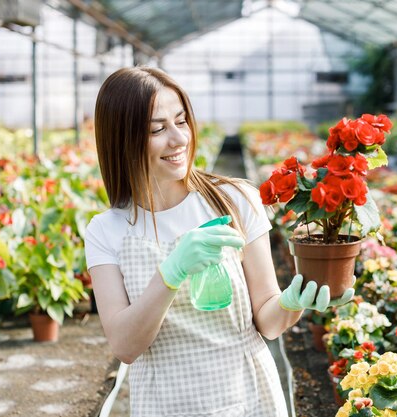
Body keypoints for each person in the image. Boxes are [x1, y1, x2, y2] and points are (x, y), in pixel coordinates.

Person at [84, 67, 354, 417]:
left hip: (248, 394)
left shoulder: (233, 199)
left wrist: (293, 301)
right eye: (157, 129)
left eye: (181, 122)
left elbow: (268, 321)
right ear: (120, 139)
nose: (179, 139)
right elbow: (125, 345)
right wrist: (170, 274)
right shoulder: (107, 230)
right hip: (163, 403)